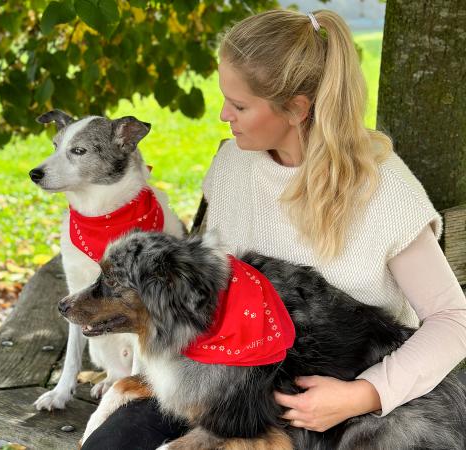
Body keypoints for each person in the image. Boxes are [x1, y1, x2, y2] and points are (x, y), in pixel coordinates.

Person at [82, 8, 466, 449]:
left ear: (296, 108)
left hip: (355, 416)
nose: (224, 114)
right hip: (227, 388)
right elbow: (206, 296)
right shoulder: (233, 166)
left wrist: (362, 395)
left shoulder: (384, 190)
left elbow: (453, 321)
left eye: (240, 105)